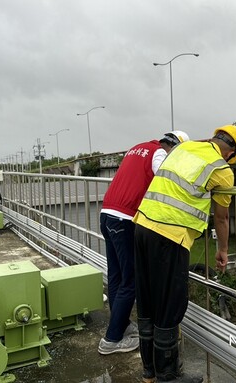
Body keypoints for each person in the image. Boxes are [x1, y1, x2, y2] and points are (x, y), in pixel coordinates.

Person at [133, 125, 236, 382]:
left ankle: (149, 371)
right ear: (231, 153)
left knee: (147, 300)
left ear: (214, 138)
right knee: (170, 304)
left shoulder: (183, 147)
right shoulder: (221, 169)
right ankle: (168, 375)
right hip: (169, 236)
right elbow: (222, 216)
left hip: (142, 226)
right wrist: (223, 250)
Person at [98, 130, 191, 355]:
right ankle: (111, 340)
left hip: (107, 213)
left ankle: (120, 325)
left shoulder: (137, 148)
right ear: (175, 148)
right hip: (126, 218)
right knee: (131, 281)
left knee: (117, 276)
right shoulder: (159, 153)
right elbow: (166, 178)